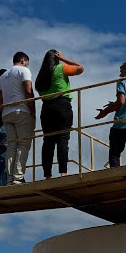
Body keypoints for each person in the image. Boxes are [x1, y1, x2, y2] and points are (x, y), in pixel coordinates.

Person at [35, 50, 84, 179]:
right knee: (63, 139)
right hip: (62, 105)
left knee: (48, 141)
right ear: (57, 59)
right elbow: (80, 68)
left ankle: (47, 174)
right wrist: (64, 59)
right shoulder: (61, 68)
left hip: (46, 109)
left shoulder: (40, 76)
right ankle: (63, 172)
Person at [95, 61, 126, 167]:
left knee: (114, 154)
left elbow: (121, 102)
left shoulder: (123, 82)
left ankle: (116, 175)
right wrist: (114, 104)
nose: (120, 74)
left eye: (121, 71)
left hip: (121, 123)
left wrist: (105, 112)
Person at [0, 52, 35, 185]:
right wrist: (32, 110)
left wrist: (4, 110)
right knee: (23, 144)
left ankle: (10, 178)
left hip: (7, 113)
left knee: (11, 145)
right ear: (24, 61)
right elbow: (29, 91)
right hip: (22, 111)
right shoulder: (24, 70)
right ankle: (18, 177)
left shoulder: (2, 76)